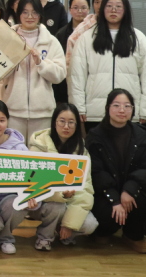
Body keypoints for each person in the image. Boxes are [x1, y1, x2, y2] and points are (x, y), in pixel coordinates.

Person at [0, 100, 63, 254]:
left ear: (8, 121)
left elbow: (31, 179)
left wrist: (32, 197)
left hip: (9, 199)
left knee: (19, 204)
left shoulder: (19, 148)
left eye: (2, 120)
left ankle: (5, 238)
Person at [70, 0, 146, 130]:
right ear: (102, 9)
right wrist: (78, 108)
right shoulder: (87, 38)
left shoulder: (138, 39)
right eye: (109, 6)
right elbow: (77, 76)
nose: (113, 10)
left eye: (118, 6)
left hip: (128, 114)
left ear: (126, 10)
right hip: (95, 114)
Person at [86, 89, 146, 253]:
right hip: (105, 190)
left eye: (127, 106)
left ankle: (133, 236)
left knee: (139, 202)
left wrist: (129, 190)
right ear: (108, 108)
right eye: (116, 105)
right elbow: (95, 171)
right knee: (106, 212)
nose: (122, 110)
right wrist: (114, 198)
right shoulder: (95, 135)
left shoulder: (141, 134)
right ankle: (104, 231)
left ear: (133, 109)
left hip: (132, 188)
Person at [0, 0, 67, 144]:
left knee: (39, 153)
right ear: (18, 14)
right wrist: (12, 60)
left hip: (43, 113)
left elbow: (60, 75)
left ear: (40, 15)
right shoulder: (8, 39)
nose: (29, 17)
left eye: (34, 12)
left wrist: (40, 63)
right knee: (14, 152)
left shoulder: (51, 41)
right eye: (25, 12)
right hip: (13, 110)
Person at [29, 104, 97, 248]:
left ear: (77, 125)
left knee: (90, 224)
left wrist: (69, 224)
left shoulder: (81, 150)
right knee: (57, 206)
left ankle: (63, 233)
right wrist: (61, 195)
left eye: (71, 122)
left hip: (70, 202)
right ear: (54, 122)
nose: (66, 126)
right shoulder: (39, 146)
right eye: (62, 121)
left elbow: (85, 189)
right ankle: (44, 237)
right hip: (42, 203)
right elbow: (35, 184)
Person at [53, 0, 91, 103]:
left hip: (89, 80)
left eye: (83, 8)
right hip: (66, 83)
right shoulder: (61, 34)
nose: (79, 11)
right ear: (70, 9)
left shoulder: (94, 32)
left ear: (89, 9)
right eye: (75, 8)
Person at [65, 0, 114, 66]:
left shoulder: (120, 27)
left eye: (104, 1)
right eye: (96, 2)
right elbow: (70, 63)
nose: (99, 6)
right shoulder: (84, 28)